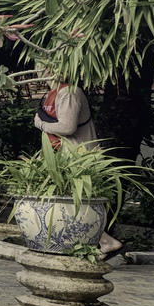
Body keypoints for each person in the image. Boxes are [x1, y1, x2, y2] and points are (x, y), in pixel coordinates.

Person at [32, 75, 120, 255]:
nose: (40, 68)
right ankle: (101, 241)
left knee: (72, 203)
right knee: (66, 203)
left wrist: (39, 124)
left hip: (77, 157)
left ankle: (105, 241)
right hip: (62, 157)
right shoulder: (54, 92)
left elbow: (67, 127)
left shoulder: (69, 93)